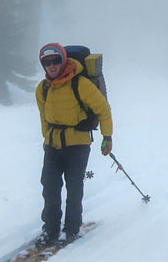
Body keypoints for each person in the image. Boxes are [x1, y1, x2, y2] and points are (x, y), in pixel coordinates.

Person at [34, 43, 113, 249]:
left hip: (77, 143)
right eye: (47, 62)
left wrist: (107, 137)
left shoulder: (81, 84)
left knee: (74, 186)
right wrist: (47, 140)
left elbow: (103, 109)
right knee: (50, 187)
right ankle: (50, 230)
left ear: (64, 60)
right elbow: (44, 117)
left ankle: (71, 228)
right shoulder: (43, 89)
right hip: (53, 144)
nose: (51, 65)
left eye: (56, 61)